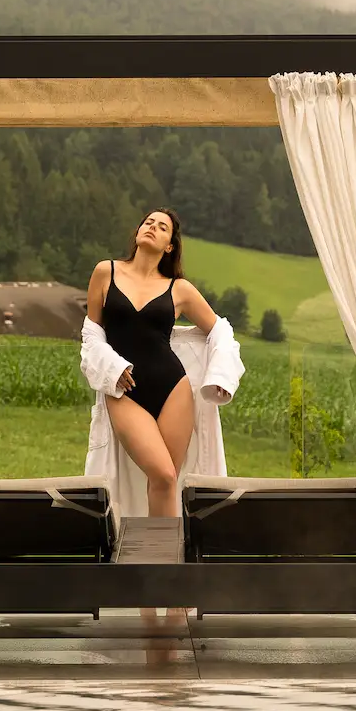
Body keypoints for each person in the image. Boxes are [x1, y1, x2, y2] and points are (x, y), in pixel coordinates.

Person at [86, 208, 217, 518]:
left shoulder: (179, 288)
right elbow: (91, 334)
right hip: (124, 389)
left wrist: (222, 375)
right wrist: (111, 369)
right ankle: (159, 560)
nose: (152, 228)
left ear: (169, 245)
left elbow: (219, 330)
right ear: (137, 232)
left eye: (162, 227)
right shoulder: (106, 272)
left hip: (174, 388)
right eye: (148, 223)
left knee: (165, 482)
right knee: (164, 474)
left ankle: (163, 563)